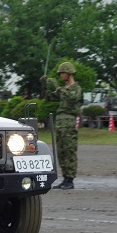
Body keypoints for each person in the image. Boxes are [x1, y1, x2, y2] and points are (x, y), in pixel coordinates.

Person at [44, 62, 83, 190]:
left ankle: (70, 180)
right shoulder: (64, 89)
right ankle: (65, 178)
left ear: (69, 73)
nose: (61, 76)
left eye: (63, 73)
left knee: (69, 150)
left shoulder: (76, 88)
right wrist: (45, 86)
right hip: (60, 123)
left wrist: (57, 86)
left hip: (69, 123)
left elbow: (72, 98)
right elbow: (50, 97)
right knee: (61, 151)